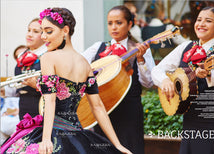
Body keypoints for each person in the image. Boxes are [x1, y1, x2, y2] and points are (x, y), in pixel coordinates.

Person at [1, 7, 132, 154]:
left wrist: (45, 139)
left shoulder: (48, 58)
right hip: (78, 136)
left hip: (53, 133)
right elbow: (98, 107)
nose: (44, 36)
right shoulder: (85, 64)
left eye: (48, 31)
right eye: (42, 31)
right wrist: (117, 145)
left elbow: (50, 101)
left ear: (65, 30)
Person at [82, 5, 155, 154]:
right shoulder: (98, 47)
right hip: (103, 112)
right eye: (110, 23)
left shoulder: (139, 49)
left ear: (129, 24)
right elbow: (77, 67)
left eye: (119, 22)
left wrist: (140, 59)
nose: (114, 27)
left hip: (129, 114)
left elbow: (148, 83)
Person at [151, 7, 214, 154]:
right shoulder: (186, 46)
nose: (201, 24)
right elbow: (157, 69)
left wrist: (209, 75)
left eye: (208, 21)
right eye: (199, 20)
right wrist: (164, 81)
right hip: (189, 121)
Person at [14, 18, 46, 120]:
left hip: (39, 109)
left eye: (35, 31)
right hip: (24, 107)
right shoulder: (23, 56)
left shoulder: (48, 56)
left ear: (44, 36)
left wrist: (37, 85)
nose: (29, 34)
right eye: (28, 30)